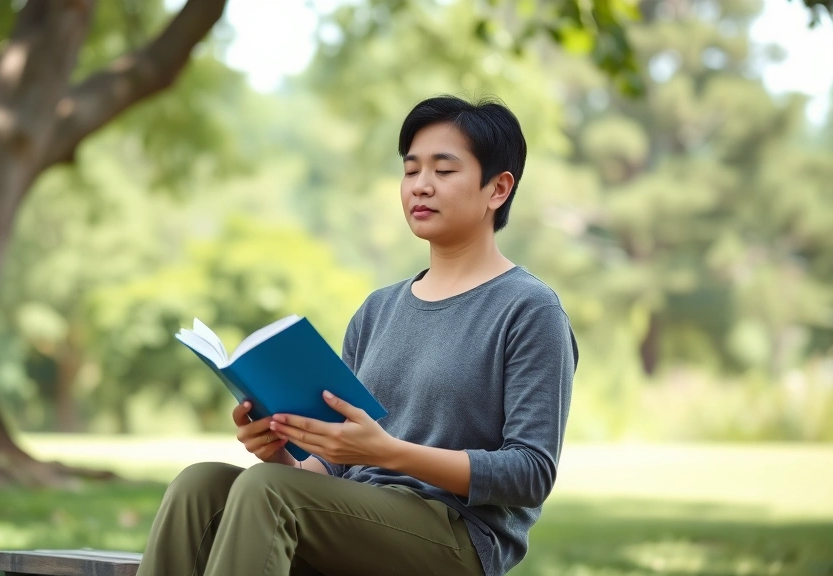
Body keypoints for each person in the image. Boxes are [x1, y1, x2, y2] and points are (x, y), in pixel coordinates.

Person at [135, 95, 578, 576]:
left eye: (443, 171)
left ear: (498, 188)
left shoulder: (529, 310)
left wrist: (388, 451)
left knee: (267, 491)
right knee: (198, 486)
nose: (421, 186)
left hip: (455, 538)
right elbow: (329, 472)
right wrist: (279, 450)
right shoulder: (378, 310)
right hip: (358, 514)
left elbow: (531, 473)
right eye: (411, 171)